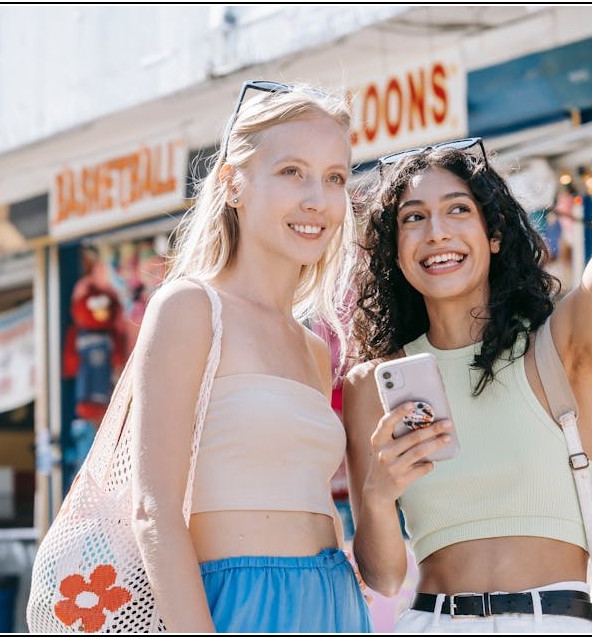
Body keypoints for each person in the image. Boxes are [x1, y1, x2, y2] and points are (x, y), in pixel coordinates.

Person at [343, 72, 592, 633]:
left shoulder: (557, 347)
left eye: (458, 210)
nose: (436, 233)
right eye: (413, 218)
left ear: (494, 235)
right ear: (395, 251)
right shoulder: (372, 384)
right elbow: (385, 578)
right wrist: (376, 497)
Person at [130, 79, 372, 633]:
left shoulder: (313, 349)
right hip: (239, 603)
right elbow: (154, 512)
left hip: (334, 599)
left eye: (334, 178)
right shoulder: (191, 309)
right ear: (232, 183)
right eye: (292, 172)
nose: (317, 199)